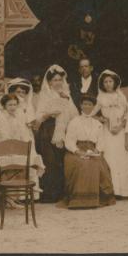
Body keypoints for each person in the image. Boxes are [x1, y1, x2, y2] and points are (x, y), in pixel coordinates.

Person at [64, 94, 116, 209]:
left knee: (97, 164)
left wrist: (96, 150)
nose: (87, 107)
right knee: (82, 164)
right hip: (76, 151)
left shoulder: (97, 124)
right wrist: (77, 151)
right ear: (80, 106)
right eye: (85, 104)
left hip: (92, 150)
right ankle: (79, 200)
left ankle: (97, 198)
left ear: (93, 107)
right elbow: (69, 141)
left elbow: (101, 141)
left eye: (90, 104)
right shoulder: (74, 121)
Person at [35, 64, 78, 203]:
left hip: (63, 130)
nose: (58, 82)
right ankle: (50, 194)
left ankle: (62, 193)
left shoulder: (66, 94)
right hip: (48, 130)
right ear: (49, 82)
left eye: (60, 79)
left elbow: (74, 114)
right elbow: (39, 116)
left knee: (61, 161)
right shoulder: (44, 95)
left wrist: (66, 99)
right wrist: (50, 113)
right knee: (50, 161)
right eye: (55, 80)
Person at [0, 93, 45, 193]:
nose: (13, 107)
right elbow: (5, 136)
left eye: (14, 105)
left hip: (16, 145)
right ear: (4, 106)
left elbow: (22, 132)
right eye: (10, 105)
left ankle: (31, 185)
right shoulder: (1, 118)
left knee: (31, 157)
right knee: (11, 170)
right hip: (4, 147)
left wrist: (24, 144)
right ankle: (11, 195)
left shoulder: (18, 116)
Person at [94, 69, 128, 197]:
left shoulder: (121, 96)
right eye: (105, 82)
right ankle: (112, 190)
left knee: (121, 158)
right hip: (108, 131)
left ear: (115, 82)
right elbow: (91, 113)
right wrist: (103, 120)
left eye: (110, 81)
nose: (108, 84)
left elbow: (127, 115)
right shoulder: (100, 97)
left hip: (120, 131)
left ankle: (124, 190)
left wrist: (120, 126)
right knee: (110, 157)